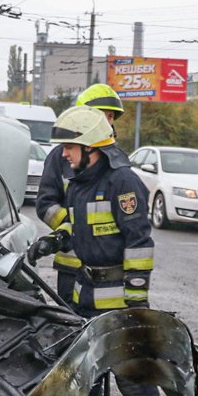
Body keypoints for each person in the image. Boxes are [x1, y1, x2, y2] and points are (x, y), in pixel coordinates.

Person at [29, 106, 168, 396]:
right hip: (84, 292)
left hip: (118, 297)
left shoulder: (123, 183)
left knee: (132, 375)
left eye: (70, 148)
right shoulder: (80, 183)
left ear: (91, 148)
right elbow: (78, 229)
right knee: (80, 371)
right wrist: (54, 241)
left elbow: (139, 243)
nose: (64, 154)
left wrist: (135, 302)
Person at [35, 83, 127, 304]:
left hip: (108, 269)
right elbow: (46, 204)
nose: (107, 121)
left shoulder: (118, 159)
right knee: (71, 319)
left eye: (110, 116)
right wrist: (74, 230)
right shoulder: (60, 156)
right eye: (101, 115)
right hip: (72, 264)